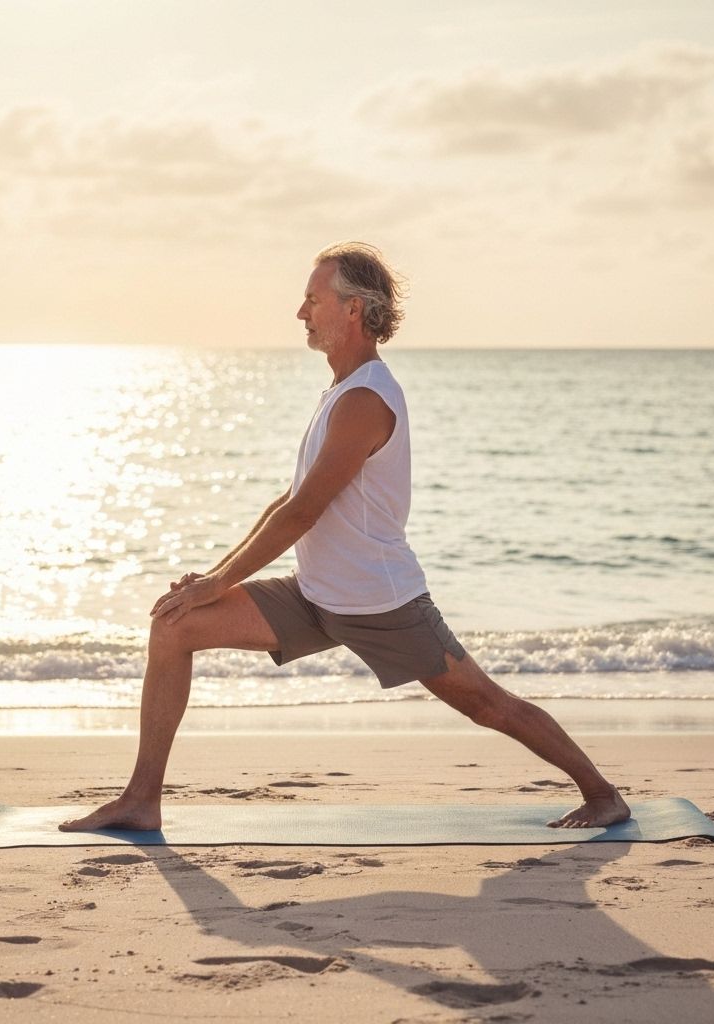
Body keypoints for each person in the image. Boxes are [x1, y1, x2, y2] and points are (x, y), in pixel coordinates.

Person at [60, 243, 630, 834]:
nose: (301, 313)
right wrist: (209, 582)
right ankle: (141, 799)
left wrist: (218, 583)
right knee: (173, 627)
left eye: (313, 300)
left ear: (353, 310)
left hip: (379, 603)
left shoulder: (364, 400)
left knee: (487, 705)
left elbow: (303, 511)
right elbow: (283, 503)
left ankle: (602, 794)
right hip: (316, 597)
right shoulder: (338, 392)